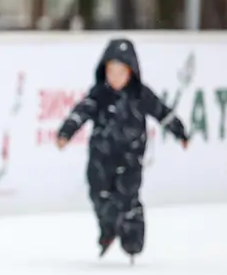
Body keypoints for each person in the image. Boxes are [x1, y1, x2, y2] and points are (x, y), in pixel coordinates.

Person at [56, 38, 189, 262]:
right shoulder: (99, 94)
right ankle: (108, 230)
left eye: (121, 72)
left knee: (127, 198)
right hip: (101, 155)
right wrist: (66, 132)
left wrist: (180, 132)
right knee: (99, 194)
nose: (115, 78)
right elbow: (81, 112)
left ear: (131, 72)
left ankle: (132, 240)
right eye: (111, 72)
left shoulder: (140, 94)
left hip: (131, 157)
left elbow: (161, 112)